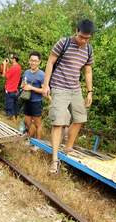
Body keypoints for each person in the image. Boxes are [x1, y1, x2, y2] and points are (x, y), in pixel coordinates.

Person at [42, 19, 96, 174]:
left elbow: (87, 71)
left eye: (87, 38)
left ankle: (68, 147)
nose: (83, 41)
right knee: (58, 122)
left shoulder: (88, 49)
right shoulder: (63, 43)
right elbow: (50, 62)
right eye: (81, 37)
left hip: (75, 89)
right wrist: (46, 85)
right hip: (59, 87)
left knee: (80, 118)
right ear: (76, 31)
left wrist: (90, 92)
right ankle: (54, 160)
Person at [21, 51, 45, 150]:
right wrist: (23, 86)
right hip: (27, 100)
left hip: (36, 102)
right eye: (31, 60)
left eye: (35, 61)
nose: (33, 63)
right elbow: (23, 84)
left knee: (37, 124)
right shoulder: (26, 72)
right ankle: (30, 140)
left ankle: (38, 144)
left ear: (39, 62)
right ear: (29, 61)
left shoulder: (42, 75)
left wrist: (32, 88)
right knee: (27, 122)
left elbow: (44, 90)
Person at [1, 53, 21, 120]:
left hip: (9, 90)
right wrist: (7, 66)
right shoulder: (18, 67)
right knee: (16, 105)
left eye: (11, 58)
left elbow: (4, 75)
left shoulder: (13, 68)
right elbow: (9, 74)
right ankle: (17, 118)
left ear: (14, 59)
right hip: (15, 90)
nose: (10, 59)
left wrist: (4, 65)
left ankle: (13, 120)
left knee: (10, 106)